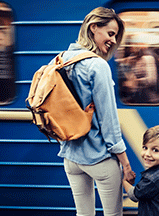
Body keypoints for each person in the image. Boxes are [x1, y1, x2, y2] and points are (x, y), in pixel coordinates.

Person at [50, 7, 136, 216]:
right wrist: (125, 163)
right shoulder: (97, 65)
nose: (113, 41)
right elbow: (109, 120)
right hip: (100, 158)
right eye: (110, 34)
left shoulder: (60, 60)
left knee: (83, 214)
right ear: (93, 27)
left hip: (71, 157)